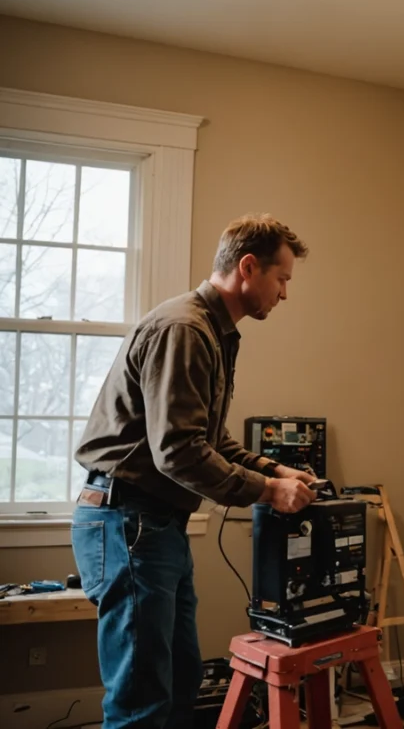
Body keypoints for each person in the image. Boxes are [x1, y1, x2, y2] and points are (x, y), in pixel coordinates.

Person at [70, 213, 319, 729]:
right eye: (283, 279)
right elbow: (178, 452)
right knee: (142, 699)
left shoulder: (214, 330)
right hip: (129, 522)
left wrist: (276, 467)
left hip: (155, 525)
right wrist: (269, 491)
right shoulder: (184, 328)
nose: (285, 294)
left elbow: (210, 439)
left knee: (181, 680)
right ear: (248, 268)